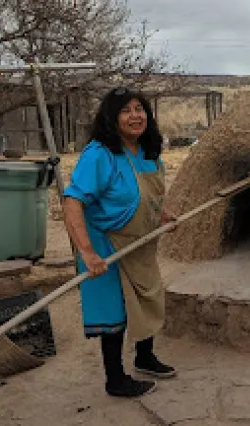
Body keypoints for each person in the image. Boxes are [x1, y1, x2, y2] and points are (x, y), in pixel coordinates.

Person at [63, 87, 178, 398]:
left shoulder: (148, 152)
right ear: (112, 118)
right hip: (106, 245)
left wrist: (162, 214)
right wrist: (87, 251)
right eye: (126, 110)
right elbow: (72, 200)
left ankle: (145, 358)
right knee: (114, 311)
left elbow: (146, 196)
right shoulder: (100, 154)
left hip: (140, 243)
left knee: (147, 298)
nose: (135, 115)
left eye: (139, 109)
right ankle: (115, 380)